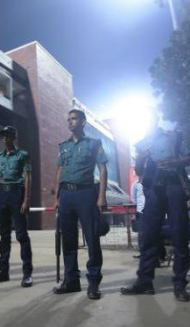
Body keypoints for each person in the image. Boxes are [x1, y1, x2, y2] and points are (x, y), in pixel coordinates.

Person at [120, 120, 190, 302]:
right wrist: (141, 158)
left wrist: (173, 161)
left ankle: (179, 284)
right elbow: (138, 171)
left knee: (179, 235)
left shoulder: (173, 136)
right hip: (152, 191)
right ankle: (144, 282)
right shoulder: (143, 142)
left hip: (174, 187)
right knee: (148, 236)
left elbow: (189, 157)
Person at [53, 109, 108, 300]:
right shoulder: (64, 146)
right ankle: (71, 280)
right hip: (66, 195)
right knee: (68, 240)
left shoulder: (94, 143)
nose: (70, 122)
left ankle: (93, 282)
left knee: (92, 239)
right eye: (68, 119)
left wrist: (101, 196)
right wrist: (57, 197)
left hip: (86, 194)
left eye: (74, 118)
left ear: (83, 122)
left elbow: (102, 169)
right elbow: (59, 170)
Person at [0, 126, 34, 287]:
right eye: (3, 135)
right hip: (3, 197)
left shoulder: (23, 155)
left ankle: (27, 273)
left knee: (21, 235)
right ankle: (3, 272)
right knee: (4, 235)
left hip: (17, 194)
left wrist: (26, 199)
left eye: (8, 135)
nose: (5, 138)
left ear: (14, 136)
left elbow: (28, 177)